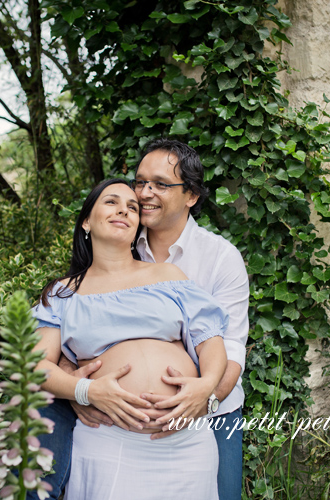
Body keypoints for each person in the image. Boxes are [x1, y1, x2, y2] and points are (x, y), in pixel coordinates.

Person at [29, 140, 249, 500]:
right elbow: (41, 363)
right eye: (139, 184)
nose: (142, 196)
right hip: (109, 433)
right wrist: (83, 390)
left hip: (197, 421)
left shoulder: (198, 265)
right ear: (86, 221)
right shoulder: (64, 293)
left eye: (159, 185)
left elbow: (222, 342)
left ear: (190, 195)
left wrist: (205, 390)